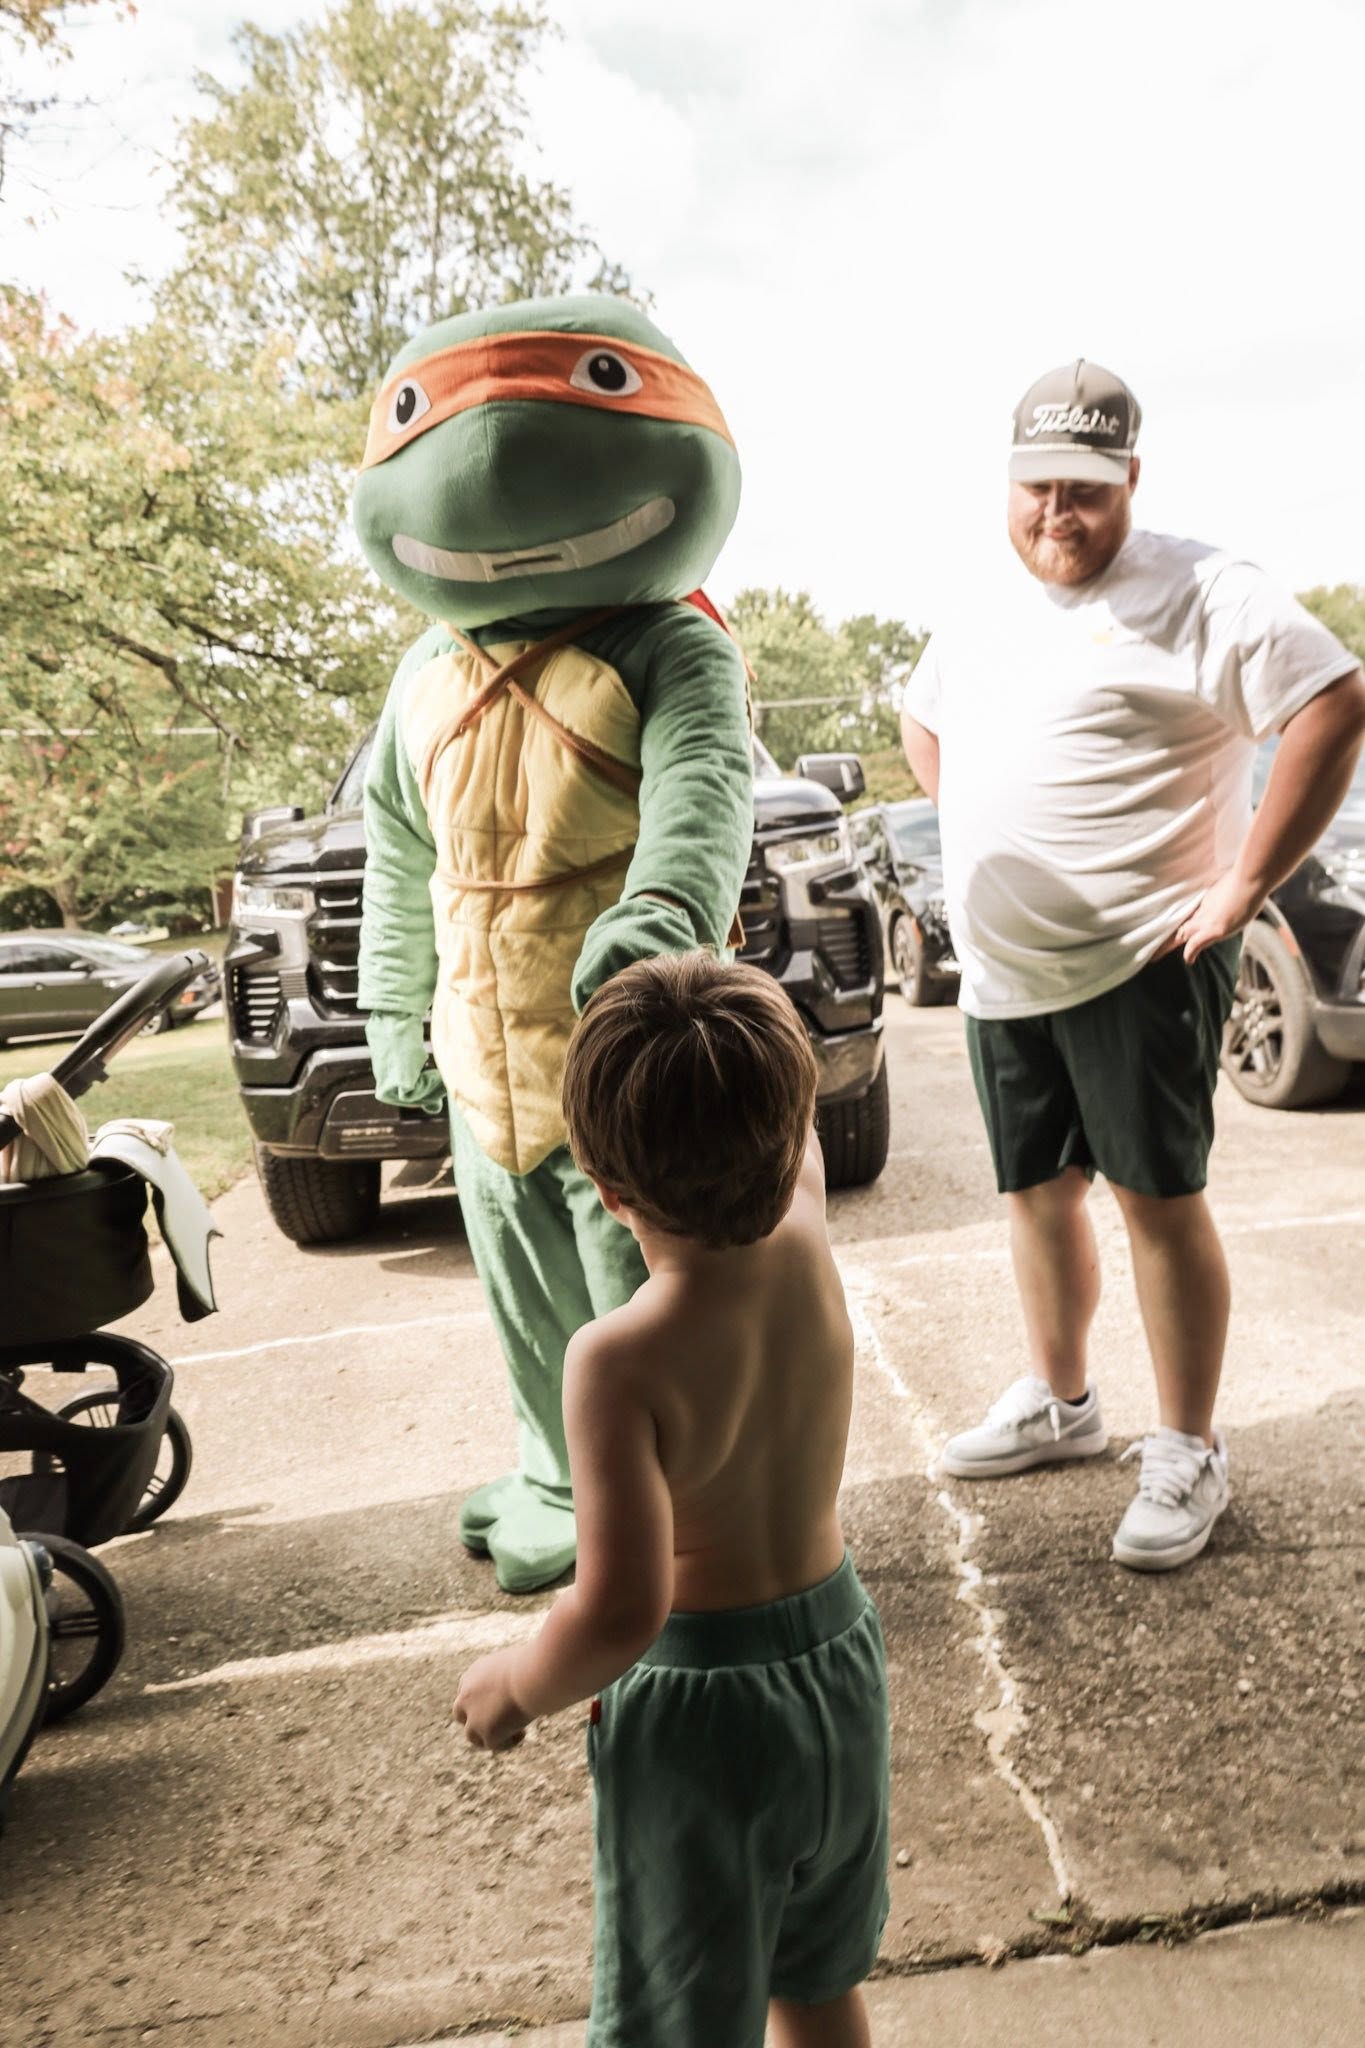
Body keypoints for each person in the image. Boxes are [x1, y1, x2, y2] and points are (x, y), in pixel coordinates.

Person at [902, 359, 1365, 1571]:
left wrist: (1243, 882)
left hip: (1140, 959)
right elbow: (926, 716)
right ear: (1009, 481)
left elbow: (1333, 700)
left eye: (1085, 491)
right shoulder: (983, 606)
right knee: (1036, 1193)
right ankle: (1064, 1403)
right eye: (1037, 486)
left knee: (1156, 1202)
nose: (1058, 513)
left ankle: (1190, 1444)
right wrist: (976, 830)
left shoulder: (1204, 589)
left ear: (1131, 480)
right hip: (1007, 972)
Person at [354, 294, 754, 1594]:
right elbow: (399, 855)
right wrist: (390, 1008)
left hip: (624, 1047)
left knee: (644, 1288)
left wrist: (661, 918)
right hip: (486, 1049)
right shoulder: (426, 676)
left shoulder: (670, 644)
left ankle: (683, 1506)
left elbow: (704, 796)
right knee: (522, 1282)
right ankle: (555, 1472)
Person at [454, 952, 890, 2048]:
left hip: (709, 1720)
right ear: (794, 1129)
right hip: (839, 1666)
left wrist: (514, 1684)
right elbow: (771, 1115)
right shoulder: (805, 1224)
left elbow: (621, 1610)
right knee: (817, 1978)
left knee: (682, 2022)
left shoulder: (619, 1359)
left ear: (606, 1189)